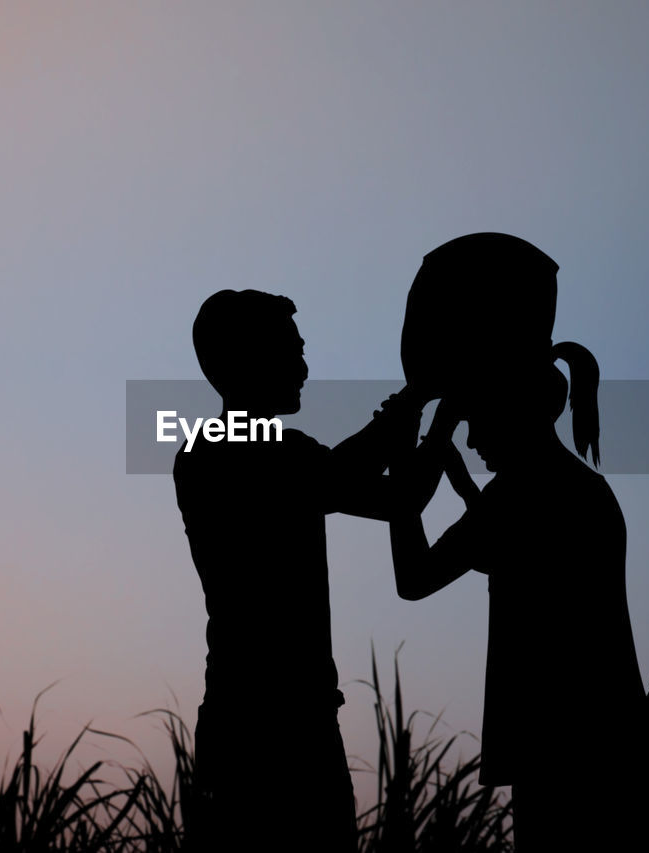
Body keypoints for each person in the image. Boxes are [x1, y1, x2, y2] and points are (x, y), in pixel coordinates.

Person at [385, 234, 645, 843]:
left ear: (509, 411)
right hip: (608, 738)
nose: (472, 443)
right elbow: (519, 560)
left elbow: (414, 580)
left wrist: (404, 484)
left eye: (474, 421)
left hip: (556, 748)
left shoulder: (518, 494)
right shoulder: (575, 488)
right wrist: (463, 493)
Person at [173, 289, 434, 851]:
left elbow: (376, 487)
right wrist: (424, 406)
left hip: (267, 714)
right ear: (250, 360)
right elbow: (378, 486)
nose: (304, 367)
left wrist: (416, 414)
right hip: (275, 727)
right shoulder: (239, 452)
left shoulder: (227, 451)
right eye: (292, 351)